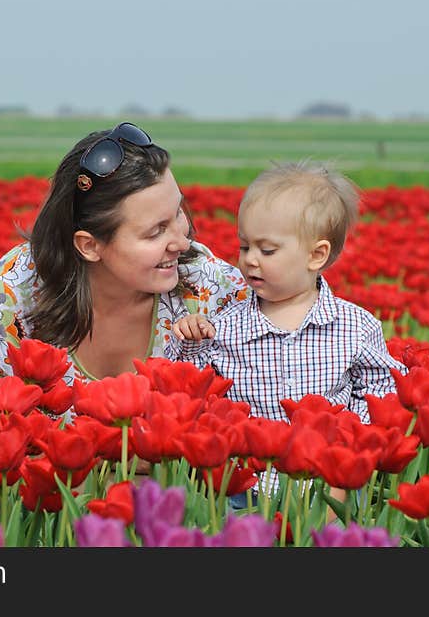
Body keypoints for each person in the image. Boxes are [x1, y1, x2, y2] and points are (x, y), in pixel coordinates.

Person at [0, 122, 248, 422]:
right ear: (89, 246)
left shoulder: (211, 287)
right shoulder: (13, 293)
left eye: (178, 212)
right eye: (156, 232)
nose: (182, 241)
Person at [173, 161, 407, 507]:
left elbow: (382, 391)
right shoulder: (225, 327)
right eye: (244, 247)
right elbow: (194, 391)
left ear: (317, 255)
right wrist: (193, 344)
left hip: (327, 486)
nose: (251, 260)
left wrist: (348, 445)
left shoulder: (354, 327)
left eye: (267, 251)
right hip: (248, 486)